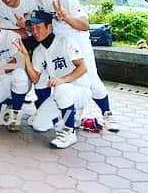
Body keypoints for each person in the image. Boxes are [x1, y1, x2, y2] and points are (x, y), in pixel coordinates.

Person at [31, 0, 119, 132]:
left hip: (76, 38)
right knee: (55, 77)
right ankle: (65, 113)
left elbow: (85, 24)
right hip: (56, 42)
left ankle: (107, 113)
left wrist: (65, 17)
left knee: (90, 79)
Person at [14, 10, 91, 148]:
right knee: (38, 125)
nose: (35, 31)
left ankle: (69, 131)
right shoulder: (38, 51)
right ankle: (68, 116)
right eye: (32, 27)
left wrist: (63, 79)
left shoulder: (66, 42)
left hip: (80, 90)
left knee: (61, 89)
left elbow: (83, 68)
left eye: (39, 27)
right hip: (62, 95)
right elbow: (35, 79)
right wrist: (25, 58)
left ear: (50, 27)